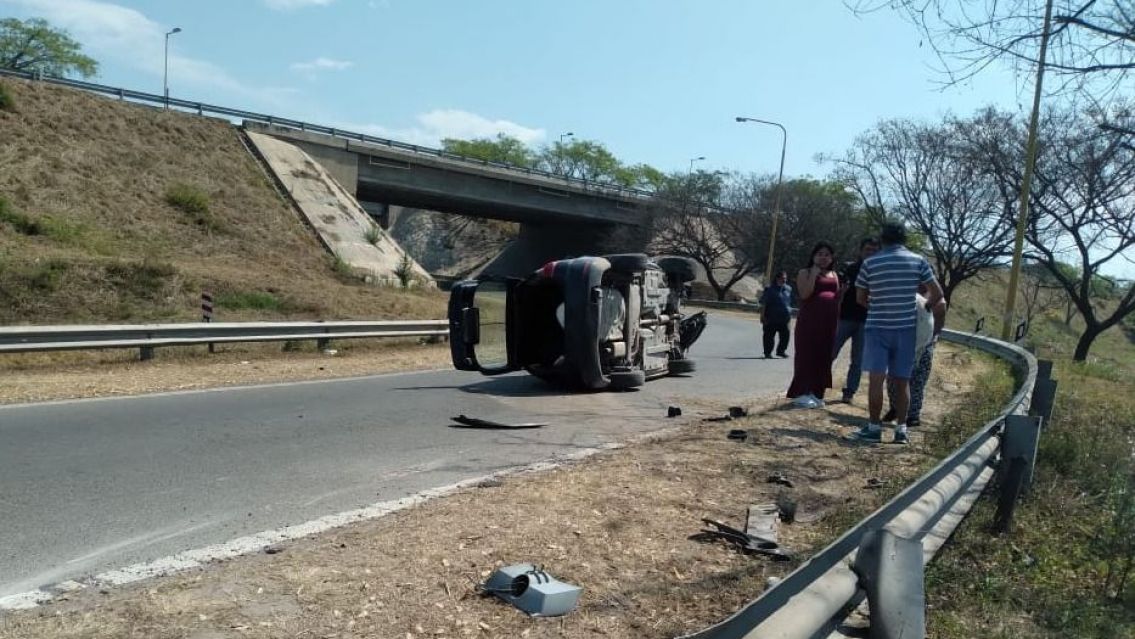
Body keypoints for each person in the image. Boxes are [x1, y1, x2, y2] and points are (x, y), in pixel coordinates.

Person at [851, 222, 943, 444]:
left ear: (882, 239)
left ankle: (874, 428)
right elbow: (937, 293)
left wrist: (877, 303)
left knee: (876, 380)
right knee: (902, 382)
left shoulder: (870, 262)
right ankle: (901, 430)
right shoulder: (918, 260)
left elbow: (860, 299)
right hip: (906, 329)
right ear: (904, 239)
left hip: (878, 327)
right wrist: (926, 306)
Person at [786, 242, 841, 408]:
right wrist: (814, 274)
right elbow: (805, 293)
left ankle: (817, 392)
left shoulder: (834, 275)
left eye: (827, 254)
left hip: (829, 321)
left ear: (832, 258)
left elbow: (837, 296)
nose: (823, 257)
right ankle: (801, 392)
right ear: (813, 256)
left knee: (823, 355)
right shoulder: (805, 272)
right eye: (820, 254)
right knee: (806, 354)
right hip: (810, 320)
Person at [885, 286, 948, 427]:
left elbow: (937, 326)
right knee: (893, 379)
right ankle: (895, 408)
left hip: (924, 345)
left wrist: (928, 341)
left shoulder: (938, 301)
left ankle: (913, 415)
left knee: (917, 382)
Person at [831, 237, 880, 403]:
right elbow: (838, 292)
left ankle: (849, 392)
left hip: (866, 321)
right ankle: (817, 385)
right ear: (860, 250)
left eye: (874, 250)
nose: (870, 253)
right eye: (868, 249)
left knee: (858, 360)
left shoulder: (879, 273)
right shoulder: (849, 268)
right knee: (831, 353)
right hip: (845, 318)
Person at [759, 270, 793, 358]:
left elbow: (789, 302)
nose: (784, 280)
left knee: (786, 335)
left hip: (785, 317)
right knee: (769, 336)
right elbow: (764, 303)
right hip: (771, 317)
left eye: (785, 278)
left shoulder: (788, 289)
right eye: (782, 278)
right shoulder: (769, 289)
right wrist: (762, 316)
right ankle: (767, 353)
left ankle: (781, 351)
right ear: (777, 278)